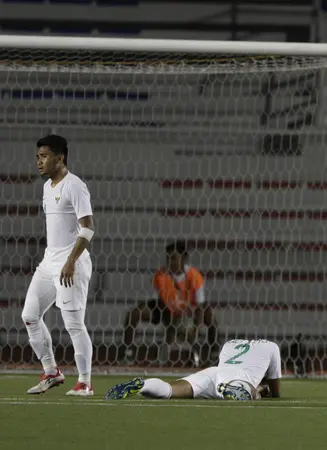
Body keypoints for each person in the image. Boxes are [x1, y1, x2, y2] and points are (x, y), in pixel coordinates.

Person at [24, 135, 96, 396]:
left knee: (74, 324)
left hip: (71, 263)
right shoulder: (47, 187)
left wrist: (71, 261)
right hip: (49, 262)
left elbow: (88, 228)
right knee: (30, 316)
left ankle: (85, 382)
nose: (39, 161)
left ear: (60, 158)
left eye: (43, 156)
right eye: (37, 156)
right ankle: (51, 371)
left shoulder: (74, 186)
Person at [122, 241, 218, 365]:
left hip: (189, 312)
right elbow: (158, 302)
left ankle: (213, 353)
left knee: (210, 315)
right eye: (168, 258)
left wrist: (195, 330)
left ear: (184, 259)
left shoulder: (195, 276)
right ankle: (127, 353)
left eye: (173, 258)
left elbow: (200, 306)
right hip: (165, 309)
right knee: (134, 314)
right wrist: (171, 319)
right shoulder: (160, 275)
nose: (170, 262)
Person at [106, 339, 281, 401]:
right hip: (236, 378)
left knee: (169, 389)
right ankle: (234, 391)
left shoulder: (231, 343)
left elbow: (223, 367)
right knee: (249, 392)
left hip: (212, 373)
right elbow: (276, 392)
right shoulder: (272, 347)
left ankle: (143, 385)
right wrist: (261, 389)